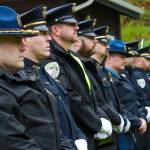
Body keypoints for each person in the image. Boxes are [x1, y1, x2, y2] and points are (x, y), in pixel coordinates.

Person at [0, 5, 73, 150]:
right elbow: (16, 144)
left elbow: (53, 132)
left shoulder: (23, 78)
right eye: (15, 40)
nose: (23, 46)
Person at [42, 3, 112, 150]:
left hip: (86, 131)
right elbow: (70, 98)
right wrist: (96, 123)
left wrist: (100, 120)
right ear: (56, 29)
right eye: (71, 24)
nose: (77, 28)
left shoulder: (71, 56)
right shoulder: (52, 59)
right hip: (75, 136)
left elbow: (90, 95)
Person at [20, 5, 87, 150]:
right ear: (25, 39)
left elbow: (65, 108)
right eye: (42, 33)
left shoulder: (42, 71)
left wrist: (79, 136)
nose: (49, 38)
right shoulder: (23, 76)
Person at [104, 40, 148, 150]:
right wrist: (136, 121)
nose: (125, 60)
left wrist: (142, 117)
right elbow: (116, 106)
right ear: (109, 56)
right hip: (119, 131)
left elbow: (136, 100)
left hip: (133, 128)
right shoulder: (106, 78)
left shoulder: (122, 77)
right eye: (122, 57)